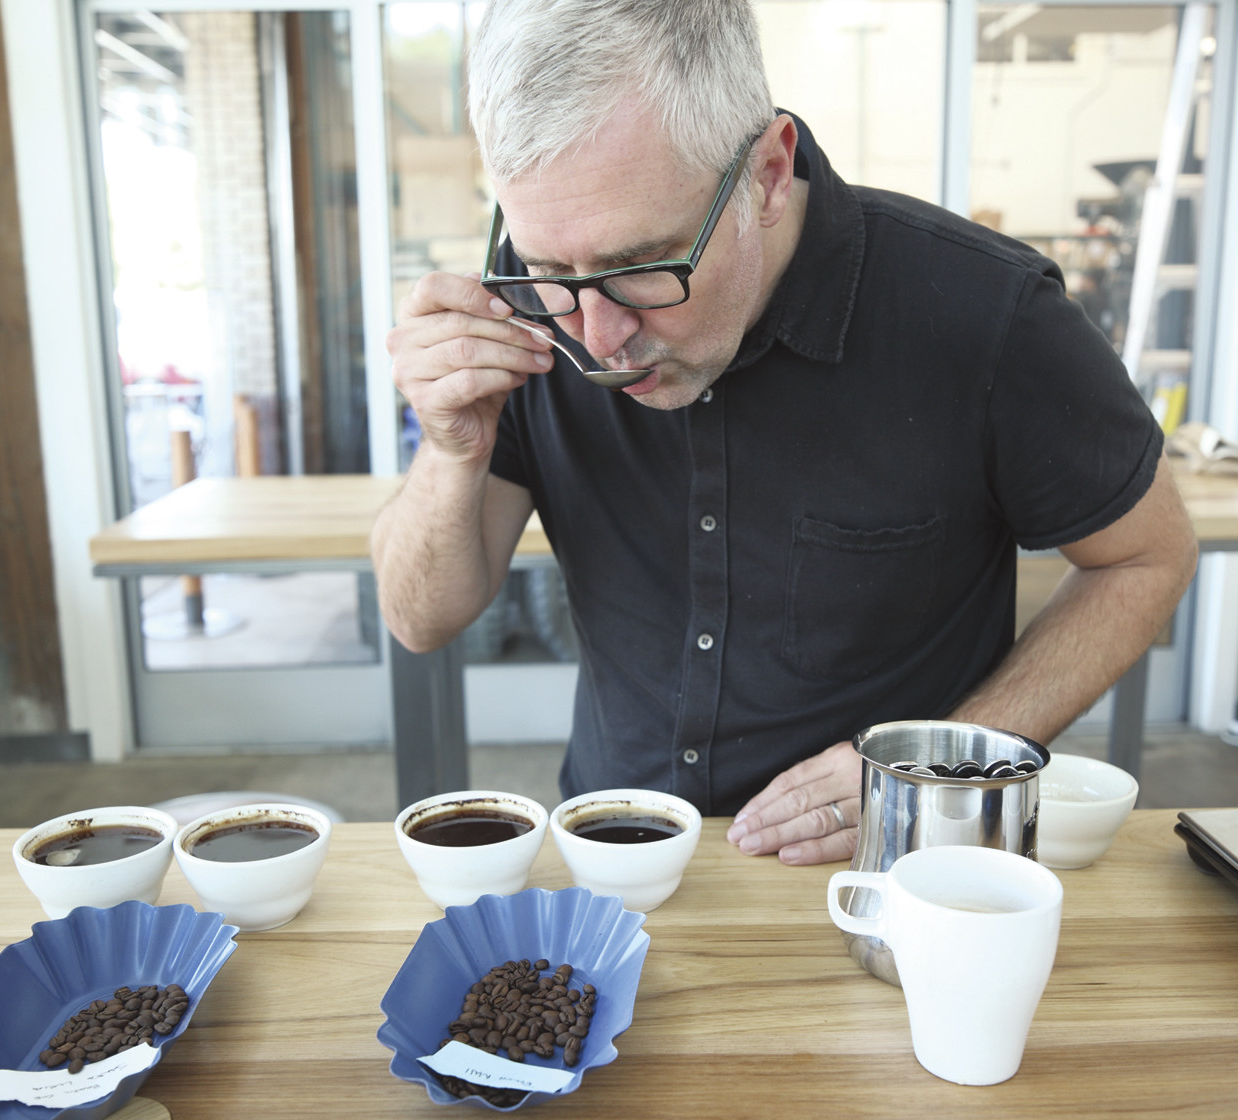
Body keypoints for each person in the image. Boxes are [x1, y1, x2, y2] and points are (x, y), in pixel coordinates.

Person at [369, 0, 1199, 866]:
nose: (599, 340)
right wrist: (450, 450)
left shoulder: (984, 315)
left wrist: (939, 765)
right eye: (548, 268)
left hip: (895, 873)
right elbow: (421, 621)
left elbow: (1149, 554)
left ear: (768, 173)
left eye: (644, 267)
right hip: (609, 863)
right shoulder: (541, 323)